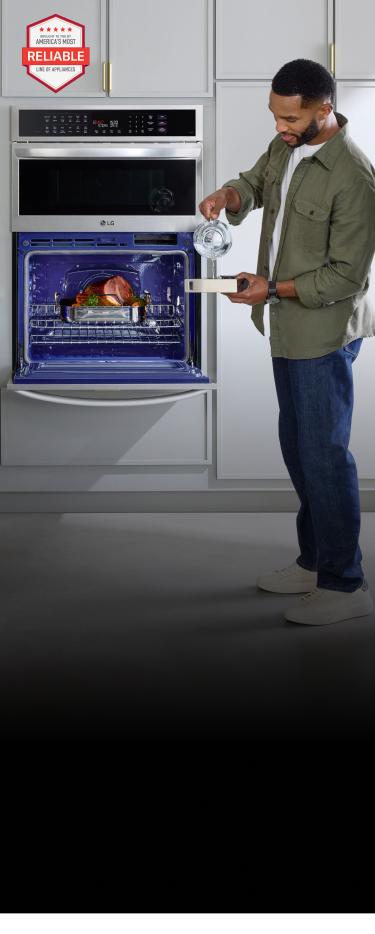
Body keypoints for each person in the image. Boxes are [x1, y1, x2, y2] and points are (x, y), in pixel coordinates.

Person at [199, 58, 375, 626]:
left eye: (291, 117)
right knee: (300, 451)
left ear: (324, 109)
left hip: (322, 333)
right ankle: (315, 560)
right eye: (275, 115)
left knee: (325, 457)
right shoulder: (287, 144)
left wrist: (270, 287)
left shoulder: (353, 176)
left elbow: (348, 276)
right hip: (283, 326)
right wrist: (229, 195)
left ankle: (346, 585)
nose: (280, 126)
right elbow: (255, 182)